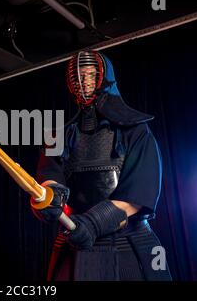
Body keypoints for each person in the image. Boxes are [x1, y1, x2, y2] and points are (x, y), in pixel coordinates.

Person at [32, 50, 172, 281]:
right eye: (78, 78)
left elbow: (137, 194)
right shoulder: (57, 137)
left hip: (128, 239)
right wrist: (47, 197)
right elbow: (49, 176)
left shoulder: (136, 131)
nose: (84, 83)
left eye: (89, 75)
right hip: (75, 243)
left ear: (104, 78)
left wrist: (92, 223)